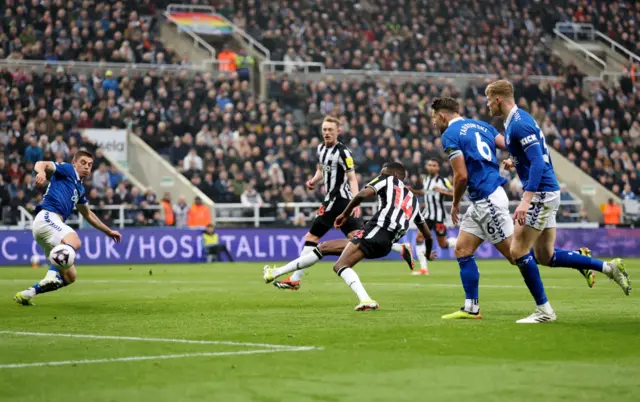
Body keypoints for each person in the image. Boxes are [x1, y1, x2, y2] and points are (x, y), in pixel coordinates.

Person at [485, 81, 631, 322]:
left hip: (541, 194)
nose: (487, 104)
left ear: (498, 99)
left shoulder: (519, 124)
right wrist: (516, 162)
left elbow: (540, 163)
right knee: (545, 256)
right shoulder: (515, 121)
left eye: (488, 99)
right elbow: (533, 156)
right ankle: (609, 268)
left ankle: (544, 310)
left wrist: (525, 201)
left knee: (518, 250)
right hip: (545, 193)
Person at [264, 162, 437, 310]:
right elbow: (428, 235)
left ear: (393, 174)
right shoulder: (413, 200)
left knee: (340, 265)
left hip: (376, 230)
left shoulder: (388, 179)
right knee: (324, 248)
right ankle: (277, 272)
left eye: (382, 171)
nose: (379, 174)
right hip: (385, 244)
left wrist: (344, 214)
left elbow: (361, 194)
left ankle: (366, 300)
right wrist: (428, 253)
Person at [271, 116, 414, 290]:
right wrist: (313, 181)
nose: (327, 133)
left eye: (330, 130)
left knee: (312, 237)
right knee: (358, 238)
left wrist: (356, 203)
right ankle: (400, 248)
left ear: (338, 131)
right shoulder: (320, 149)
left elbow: (352, 177)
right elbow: (321, 169)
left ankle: (295, 278)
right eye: (324, 130)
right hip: (333, 199)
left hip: (339, 200)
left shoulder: (343, 152)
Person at [14, 151, 122, 306]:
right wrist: (41, 173)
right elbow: (41, 164)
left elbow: (88, 215)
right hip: (47, 217)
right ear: (74, 163)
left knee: (70, 276)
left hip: (48, 227)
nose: (86, 167)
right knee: (74, 240)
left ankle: (28, 293)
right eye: (83, 162)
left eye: (90, 165)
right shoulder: (67, 169)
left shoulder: (80, 189)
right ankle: (51, 273)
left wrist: (109, 231)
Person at [408, 159, 457, 275]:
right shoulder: (426, 179)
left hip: (439, 217)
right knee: (419, 238)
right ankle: (424, 269)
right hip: (427, 215)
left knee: (443, 244)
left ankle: (462, 242)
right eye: (429, 165)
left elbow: (455, 192)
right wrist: (413, 191)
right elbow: (425, 192)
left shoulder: (443, 180)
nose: (431, 167)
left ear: (438, 168)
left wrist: (442, 192)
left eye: (434, 165)